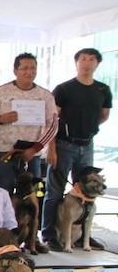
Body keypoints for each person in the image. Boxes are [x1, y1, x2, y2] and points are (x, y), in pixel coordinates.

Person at [42, 48, 112, 251]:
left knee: (87, 192)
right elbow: (52, 120)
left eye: (92, 60)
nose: (87, 63)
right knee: (54, 191)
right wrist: (51, 148)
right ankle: (49, 234)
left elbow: (103, 115)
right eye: (83, 59)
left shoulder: (103, 90)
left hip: (87, 144)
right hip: (64, 144)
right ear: (76, 63)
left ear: (97, 64)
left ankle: (82, 237)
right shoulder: (64, 89)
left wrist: (87, 129)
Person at [0, 53, 58, 193]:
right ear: (15, 71)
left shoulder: (45, 95)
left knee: (31, 198)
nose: (29, 72)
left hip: (31, 154)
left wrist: (35, 149)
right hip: (5, 152)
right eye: (25, 68)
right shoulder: (1, 92)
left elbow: (53, 125)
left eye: (33, 68)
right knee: (2, 197)